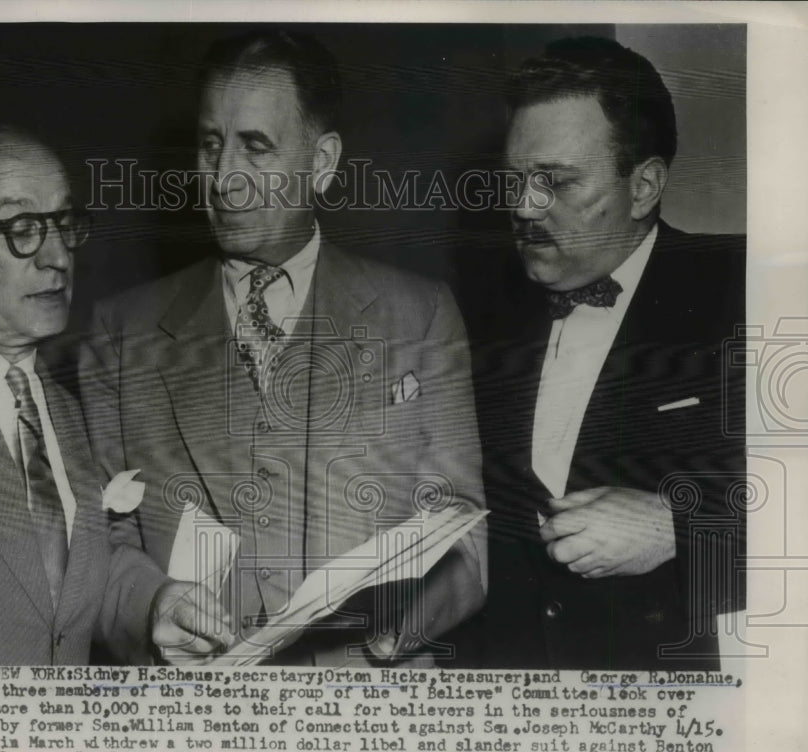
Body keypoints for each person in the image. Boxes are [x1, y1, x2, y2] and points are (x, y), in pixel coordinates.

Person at [80, 30, 487, 667]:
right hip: (196, 722)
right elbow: (100, 548)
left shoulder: (422, 314)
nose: (223, 180)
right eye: (211, 145)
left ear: (322, 163)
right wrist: (154, 605)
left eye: (256, 148)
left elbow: (463, 530)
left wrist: (400, 629)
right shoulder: (119, 331)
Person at [0, 127, 231, 665]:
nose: (57, 256)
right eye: (20, 227)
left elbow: (60, 587)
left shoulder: (67, 413)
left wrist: (155, 605)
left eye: (63, 223)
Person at [459, 36, 745, 669]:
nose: (522, 207)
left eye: (555, 183)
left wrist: (683, 529)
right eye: (515, 179)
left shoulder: (746, 289)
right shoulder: (478, 316)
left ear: (643, 186)